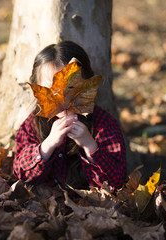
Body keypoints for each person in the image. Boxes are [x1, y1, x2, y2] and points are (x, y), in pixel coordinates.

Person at [13, 41, 127, 192]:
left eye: (71, 88)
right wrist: (47, 146)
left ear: (87, 86)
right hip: (43, 207)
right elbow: (21, 175)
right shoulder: (33, 124)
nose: (63, 98)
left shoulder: (103, 124)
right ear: (38, 90)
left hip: (90, 208)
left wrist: (90, 145)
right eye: (50, 89)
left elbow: (116, 180)